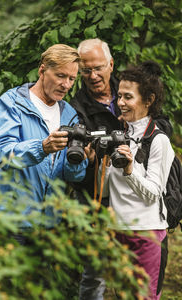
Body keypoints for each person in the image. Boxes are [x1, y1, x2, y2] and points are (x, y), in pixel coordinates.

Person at [0, 44, 89, 227]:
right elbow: (2, 153)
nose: (66, 84)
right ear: (42, 70)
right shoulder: (12, 103)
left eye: (72, 78)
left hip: (49, 223)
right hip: (11, 220)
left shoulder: (69, 114)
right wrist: (42, 147)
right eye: (60, 75)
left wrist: (78, 160)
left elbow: (74, 176)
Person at [98, 60, 175, 299]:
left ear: (148, 100)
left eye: (128, 97)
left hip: (147, 233)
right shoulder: (117, 135)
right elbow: (109, 190)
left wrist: (130, 169)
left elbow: (153, 192)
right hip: (118, 229)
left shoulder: (158, 140)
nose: (120, 103)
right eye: (119, 96)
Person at [69, 38, 124, 300]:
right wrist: (88, 158)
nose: (93, 76)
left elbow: (161, 123)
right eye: (86, 70)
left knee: (139, 263)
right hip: (96, 194)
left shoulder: (131, 88)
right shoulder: (75, 107)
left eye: (98, 68)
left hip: (135, 192)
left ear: (111, 65)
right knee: (95, 271)